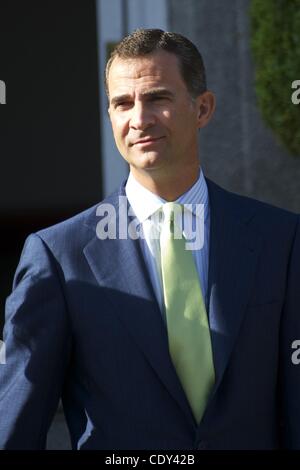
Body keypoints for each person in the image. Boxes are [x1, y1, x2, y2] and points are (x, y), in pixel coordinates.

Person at [0, 28, 300, 450]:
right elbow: (17, 425)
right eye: (122, 103)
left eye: (157, 98)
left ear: (203, 108)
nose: (139, 119)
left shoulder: (281, 241)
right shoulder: (58, 257)